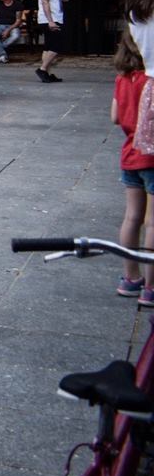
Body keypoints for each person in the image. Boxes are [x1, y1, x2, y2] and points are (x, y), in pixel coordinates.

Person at [111, 32, 154, 305]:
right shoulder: (150, 81)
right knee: (153, 222)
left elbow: (115, 116)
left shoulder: (122, 79)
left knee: (132, 217)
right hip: (151, 156)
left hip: (129, 154)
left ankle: (131, 277)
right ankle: (151, 287)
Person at [37, 0, 66, 83]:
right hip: (50, 18)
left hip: (55, 17)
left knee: (48, 47)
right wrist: (50, 20)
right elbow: (45, 1)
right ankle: (42, 69)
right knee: (56, 45)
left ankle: (46, 73)